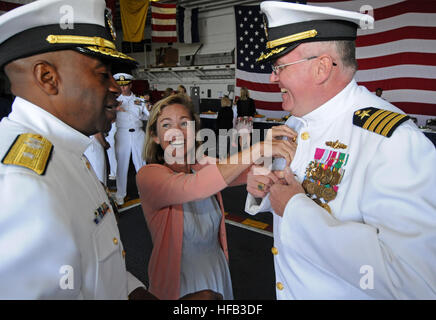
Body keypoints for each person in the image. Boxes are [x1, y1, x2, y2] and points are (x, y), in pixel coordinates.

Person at [0, 0, 219, 300]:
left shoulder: (64, 152)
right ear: (47, 78)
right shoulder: (20, 181)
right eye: (102, 74)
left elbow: (95, 270)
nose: (115, 88)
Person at [245, 1, 436, 299]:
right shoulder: (296, 122)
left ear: (321, 67)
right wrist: (262, 192)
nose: (273, 77)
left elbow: (413, 282)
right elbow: (288, 193)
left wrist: (296, 211)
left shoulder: (390, 141)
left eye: (279, 66)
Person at [136, 94, 297, 300]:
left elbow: (248, 170)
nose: (177, 132)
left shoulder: (202, 165)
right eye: (167, 125)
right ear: (155, 137)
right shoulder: (148, 175)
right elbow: (193, 187)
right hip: (179, 280)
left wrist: (275, 156)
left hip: (217, 268)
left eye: (184, 123)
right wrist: (259, 148)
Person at [113, 73, 148, 206]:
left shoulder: (140, 101)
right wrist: (114, 108)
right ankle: (120, 194)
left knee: (141, 164)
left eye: (126, 85)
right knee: (122, 165)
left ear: (131, 85)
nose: (123, 88)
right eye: (120, 85)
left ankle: (143, 192)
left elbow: (149, 115)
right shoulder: (113, 101)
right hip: (122, 134)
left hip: (138, 134)